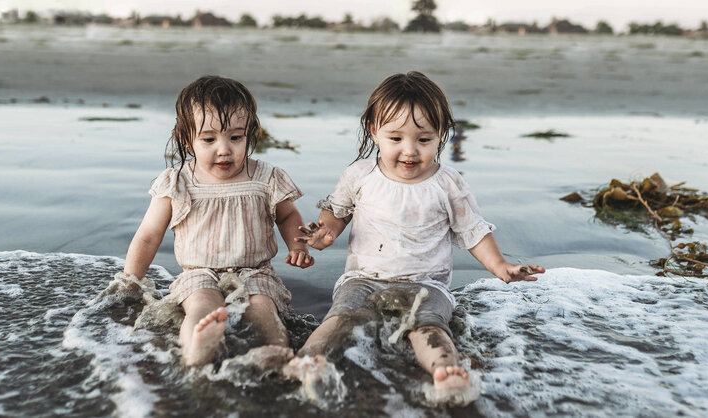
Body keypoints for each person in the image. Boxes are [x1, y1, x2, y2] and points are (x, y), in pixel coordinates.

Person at [290, 71, 545, 398]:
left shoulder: (447, 183)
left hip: (426, 282)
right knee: (340, 318)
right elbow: (336, 215)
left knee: (427, 327)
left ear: (441, 135)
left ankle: (444, 369)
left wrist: (501, 267)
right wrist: (323, 236)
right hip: (364, 277)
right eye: (395, 139)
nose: (409, 151)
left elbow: (473, 232)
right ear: (374, 131)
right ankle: (306, 360)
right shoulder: (360, 175)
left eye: (423, 140)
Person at [118, 75, 313, 367]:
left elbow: (287, 215)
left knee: (263, 309)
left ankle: (274, 351)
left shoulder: (265, 177)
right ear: (187, 139)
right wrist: (130, 282)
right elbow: (148, 236)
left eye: (236, 137)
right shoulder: (178, 182)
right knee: (200, 306)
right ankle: (198, 345)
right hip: (200, 271)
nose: (224, 149)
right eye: (209, 139)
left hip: (255, 270)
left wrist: (298, 245)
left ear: (249, 134)